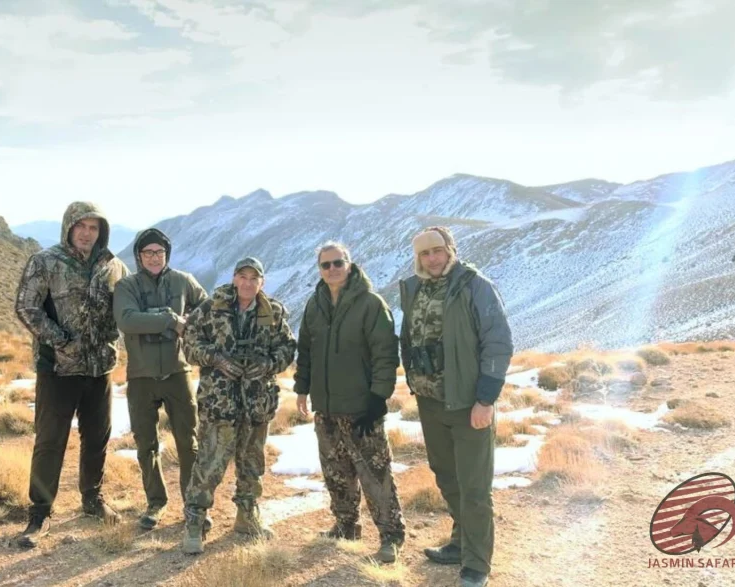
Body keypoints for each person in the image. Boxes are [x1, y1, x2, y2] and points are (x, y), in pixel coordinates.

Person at [399, 226, 513, 587]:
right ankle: (461, 542)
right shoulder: (415, 289)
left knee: (474, 486)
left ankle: (477, 563)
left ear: (450, 249)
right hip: (432, 402)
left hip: (467, 403)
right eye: (425, 254)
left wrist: (485, 400)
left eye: (438, 251)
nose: (433, 259)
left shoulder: (474, 286)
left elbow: (498, 343)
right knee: (446, 475)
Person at [12, 201, 130, 548]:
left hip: (99, 370)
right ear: (69, 227)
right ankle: (40, 513)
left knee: (97, 437)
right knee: (50, 441)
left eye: (94, 228)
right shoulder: (45, 261)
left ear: (101, 231)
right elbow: (26, 307)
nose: (87, 233)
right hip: (58, 368)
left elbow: (124, 311)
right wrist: (61, 341)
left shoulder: (114, 266)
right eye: (81, 226)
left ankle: (93, 500)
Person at [293, 242, 406, 563]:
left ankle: (391, 535)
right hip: (326, 408)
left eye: (337, 263)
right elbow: (306, 351)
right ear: (319, 269)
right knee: (336, 472)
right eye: (325, 265)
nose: (332, 270)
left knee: (375, 472)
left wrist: (378, 399)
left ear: (349, 264)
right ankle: (346, 526)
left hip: (361, 407)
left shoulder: (370, 304)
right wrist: (302, 389)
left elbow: (386, 353)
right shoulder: (315, 306)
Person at [180, 257, 296, 554]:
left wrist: (268, 364)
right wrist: (216, 358)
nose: (247, 282)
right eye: (242, 276)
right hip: (220, 402)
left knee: (252, 464)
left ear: (261, 282)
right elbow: (189, 344)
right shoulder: (211, 308)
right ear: (234, 278)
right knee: (209, 464)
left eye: (253, 277)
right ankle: (195, 522)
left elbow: (287, 348)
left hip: (257, 403)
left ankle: (247, 516)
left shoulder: (274, 312)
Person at [113, 228, 208, 530]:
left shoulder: (183, 281)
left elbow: (206, 308)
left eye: (159, 252)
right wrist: (170, 320)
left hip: (178, 373)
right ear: (139, 256)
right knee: (146, 444)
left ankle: (193, 506)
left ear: (166, 254)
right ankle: (156, 502)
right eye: (148, 252)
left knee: (188, 442)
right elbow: (127, 320)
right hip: (140, 376)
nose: (154, 257)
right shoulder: (126, 286)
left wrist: (188, 323)